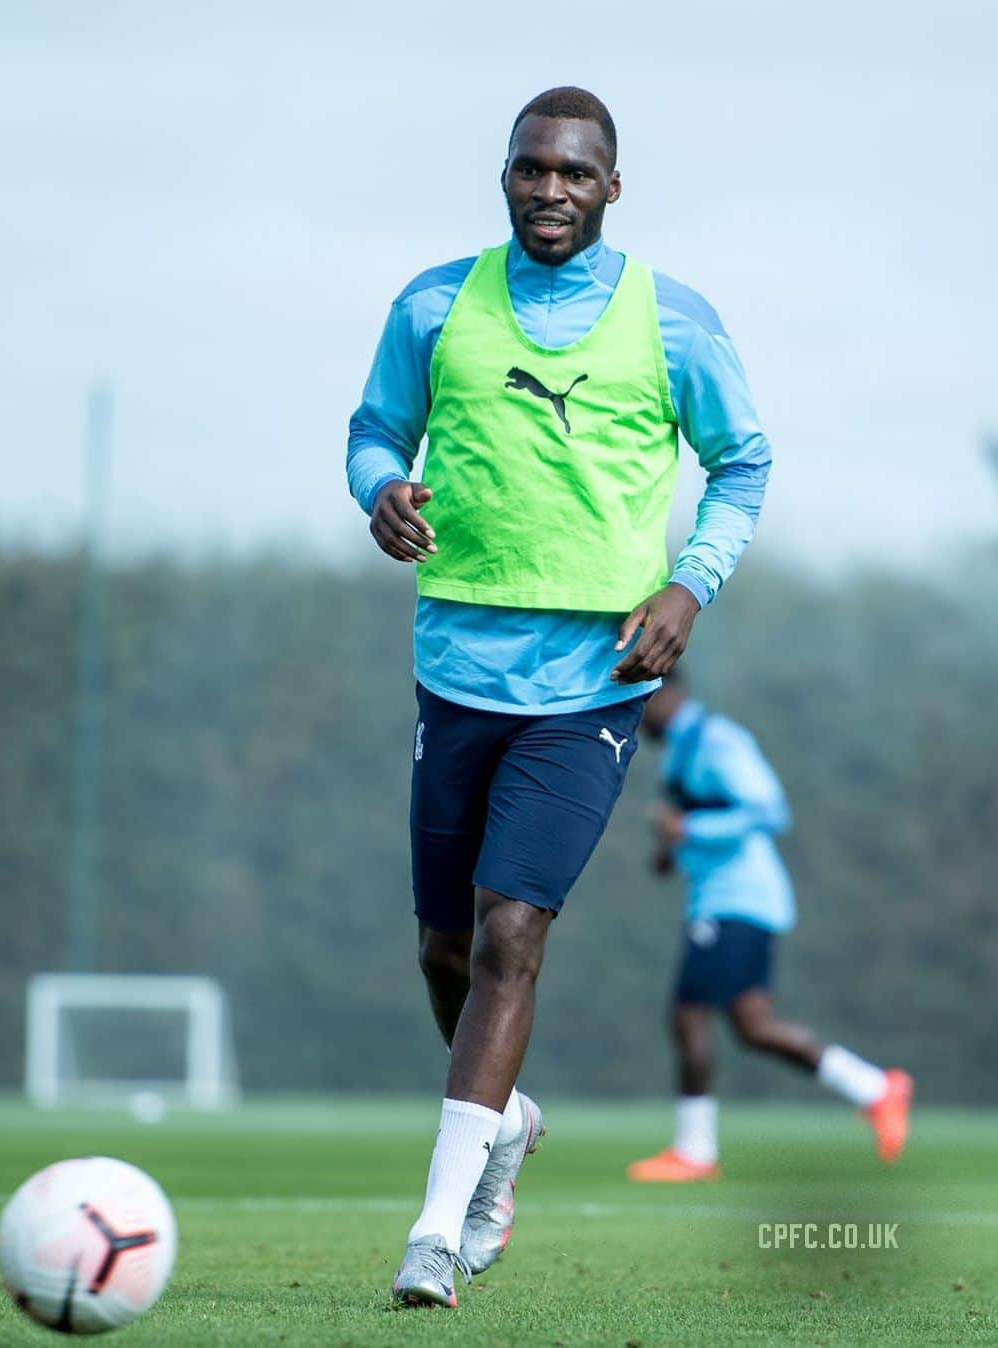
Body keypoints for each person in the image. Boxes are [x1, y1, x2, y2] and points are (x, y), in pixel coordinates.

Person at [347, 86, 772, 1307]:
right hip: (453, 667)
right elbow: (375, 431)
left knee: (510, 934)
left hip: (592, 677)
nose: (550, 190)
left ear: (612, 188)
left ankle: (434, 1232)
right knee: (444, 948)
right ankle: (507, 1124)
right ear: (505, 176)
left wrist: (690, 587)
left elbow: (743, 462)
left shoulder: (674, 322)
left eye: (575, 174)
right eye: (532, 169)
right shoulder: (434, 303)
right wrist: (381, 488)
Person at [626, 672, 913, 1182]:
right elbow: (700, 821)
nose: (634, 710)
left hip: (738, 899)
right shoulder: (680, 751)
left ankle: (695, 1152)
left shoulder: (718, 739)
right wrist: (672, 849)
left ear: (665, 692)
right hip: (723, 899)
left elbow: (768, 809)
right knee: (754, 1027)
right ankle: (875, 1089)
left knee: (688, 1013)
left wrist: (690, 829)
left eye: (638, 698)